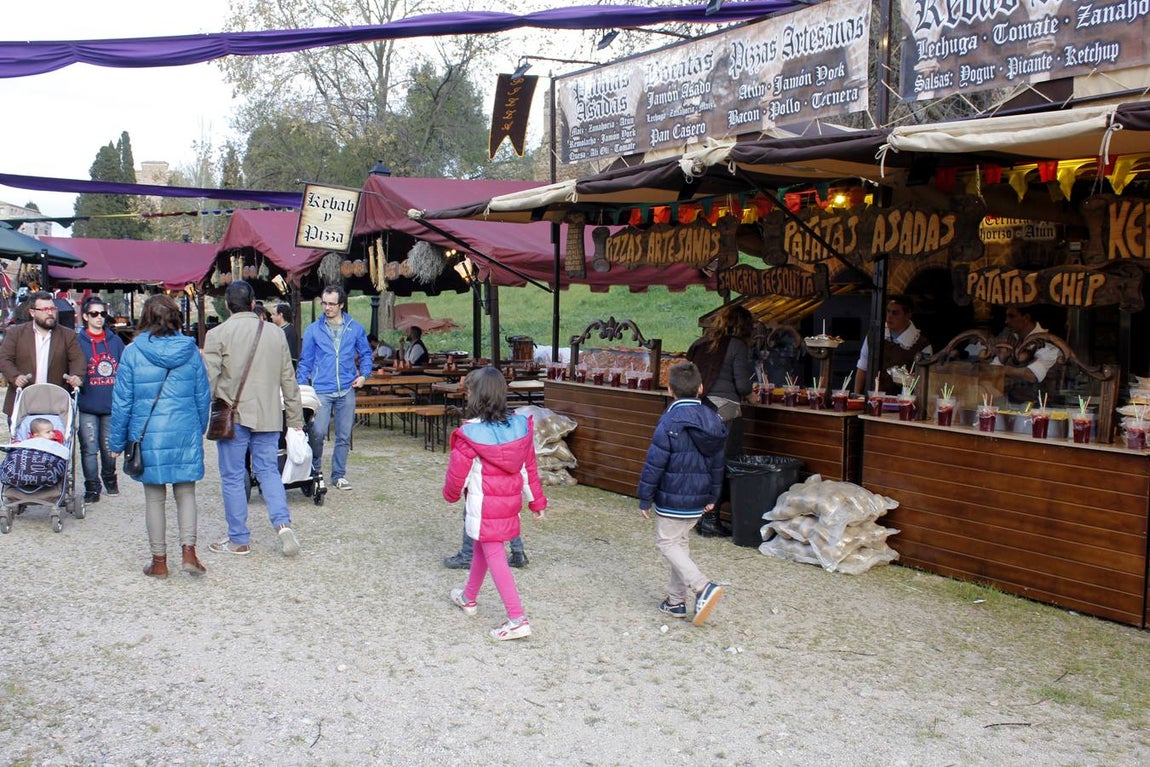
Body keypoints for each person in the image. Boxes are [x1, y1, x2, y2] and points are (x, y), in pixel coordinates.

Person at [108, 294, 211, 579]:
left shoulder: (132, 352)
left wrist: (117, 443)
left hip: (147, 433)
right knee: (186, 492)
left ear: (145, 318)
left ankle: (160, 560)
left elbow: (122, 402)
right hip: (184, 429)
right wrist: (197, 429)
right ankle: (189, 552)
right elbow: (203, 396)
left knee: (154, 498)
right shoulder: (190, 351)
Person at [444, 367, 546, 641]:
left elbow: (457, 476)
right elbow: (528, 469)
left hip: (485, 505)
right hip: (507, 505)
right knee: (481, 546)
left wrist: (450, 495)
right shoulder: (519, 428)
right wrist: (536, 502)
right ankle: (468, 597)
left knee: (494, 555)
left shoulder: (470, 436)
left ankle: (517, 618)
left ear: (474, 397)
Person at [203, 280, 305, 558]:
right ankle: (283, 524)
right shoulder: (275, 333)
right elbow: (288, 378)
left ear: (226, 306)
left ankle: (239, 539)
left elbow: (208, 381)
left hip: (233, 416)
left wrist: (202, 414)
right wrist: (295, 416)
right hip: (270, 414)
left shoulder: (217, 334)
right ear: (252, 304)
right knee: (268, 470)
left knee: (234, 476)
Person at [637, 362, 727, 627]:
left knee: (667, 543)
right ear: (701, 388)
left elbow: (655, 463)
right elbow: (718, 462)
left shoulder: (669, 421)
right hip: (699, 498)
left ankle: (702, 586)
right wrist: (713, 495)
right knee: (680, 544)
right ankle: (676, 601)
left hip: (672, 496)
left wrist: (645, 497)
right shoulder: (714, 419)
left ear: (669, 389)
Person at [685, 304, 753, 536]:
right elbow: (743, 385)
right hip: (724, 411)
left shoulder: (698, 344)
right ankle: (711, 519)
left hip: (696, 409)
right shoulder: (737, 346)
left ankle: (697, 516)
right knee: (720, 464)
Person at [296, 285, 372, 491]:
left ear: (341, 305)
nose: (327, 307)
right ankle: (315, 471)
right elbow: (305, 361)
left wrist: (364, 375)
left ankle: (339, 475)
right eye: (324, 303)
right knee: (318, 433)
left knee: (344, 435)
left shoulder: (355, 328)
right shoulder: (313, 330)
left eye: (331, 304)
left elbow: (366, 354)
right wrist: (301, 387)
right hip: (321, 389)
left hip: (347, 389)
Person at [0, 290, 85, 417]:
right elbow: (4, 358)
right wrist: (15, 377)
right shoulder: (16, 334)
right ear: (32, 312)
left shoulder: (68, 335)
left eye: (52, 308)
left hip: (55, 404)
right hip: (22, 402)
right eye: (45, 309)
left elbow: (77, 359)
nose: (50, 313)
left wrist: (77, 376)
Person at [76, 295, 126, 503]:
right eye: (94, 314)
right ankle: (92, 486)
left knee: (108, 447)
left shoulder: (115, 341)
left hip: (110, 404)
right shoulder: (77, 342)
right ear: (86, 316)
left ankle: (109, 478)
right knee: (88, 447)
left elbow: (124, 370)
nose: (99, 318)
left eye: (102, 314)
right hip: (87, 403)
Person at [854, 294, 932, 395]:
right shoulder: (874, 335)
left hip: (902, 401)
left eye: (895, 313)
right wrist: (856, 394)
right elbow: (862, 367)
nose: (889, 316)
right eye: (888, 311)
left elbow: (924, 380)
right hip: (872, 398)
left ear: (908, 315)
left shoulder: (922, 345)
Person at [993, 305, 1062, 405]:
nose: (1006, 321)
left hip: (1040, 409)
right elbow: (992, 369)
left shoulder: (1048, 343)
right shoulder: (1011, 339)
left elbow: (1031, 375)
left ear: (1026, 318)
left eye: (1011, 316)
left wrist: (1003, 369)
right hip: (1007, 405)